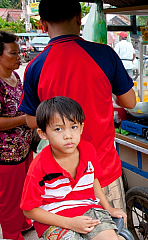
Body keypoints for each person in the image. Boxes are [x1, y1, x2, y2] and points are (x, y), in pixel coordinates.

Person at [18, 0, 136, 216]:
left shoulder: (35, 67)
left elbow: (31, 122)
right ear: (79, 18)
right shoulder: (105, 55)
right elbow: (130, 103)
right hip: (104, 171)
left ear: (43, 25)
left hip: (59, 183)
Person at [20, 96, 126, 240]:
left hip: (88, 209)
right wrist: (70, 223)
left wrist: (108, 208)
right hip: (54, 218)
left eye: (73, 127)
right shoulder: (38, 167)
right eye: (58, 129)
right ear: (43, 134)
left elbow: (93, 180)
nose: (68, 135)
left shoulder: (88, 150)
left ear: (81, 128)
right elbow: (29, 210)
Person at [0, 31, 33, 240]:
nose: (19, 57)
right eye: (13, 53)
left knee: (24, 192)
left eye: (19, 52)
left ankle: (22, 223)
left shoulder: (15, 77)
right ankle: (12, 235)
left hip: (24, 148)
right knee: (9, 201)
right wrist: (26, 120)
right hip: (6, 155)